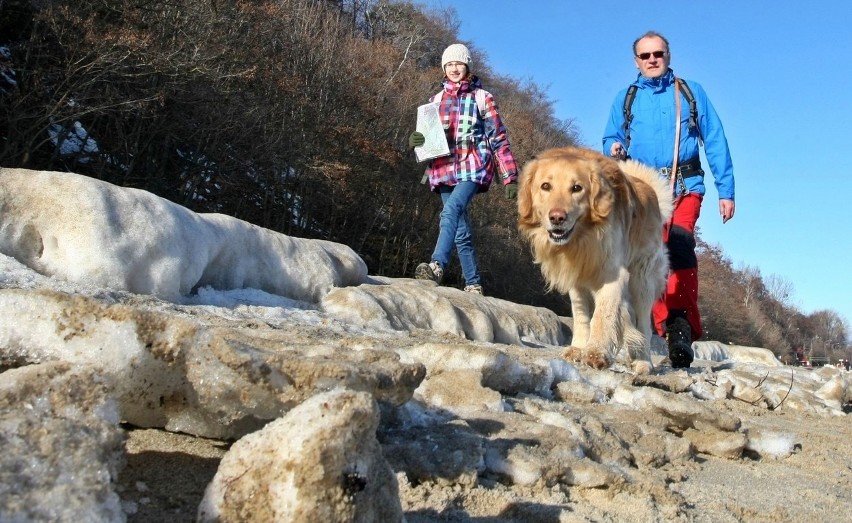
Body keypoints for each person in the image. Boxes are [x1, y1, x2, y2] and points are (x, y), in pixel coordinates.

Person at [602, 31, 735, 368]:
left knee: (679, 246)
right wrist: (612, 148)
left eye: (657, 53)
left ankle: (681, 327)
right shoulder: (626, 98)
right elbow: (611, 136)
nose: (652, 60)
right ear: (636, 61)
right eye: (645, 56)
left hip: (685, 185)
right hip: (642, 190)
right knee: (650, 255)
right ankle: (661, 325)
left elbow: (715, 139)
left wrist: (726, 190)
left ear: (668, 55)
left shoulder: (691, 93)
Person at [408, 43, 518, 295]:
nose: (454, 68)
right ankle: (473, 283)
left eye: (459, 63)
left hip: (473, 164)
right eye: (449, 64)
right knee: (460, 229)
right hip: (443, 168)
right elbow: (428, 141)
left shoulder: (482, 97)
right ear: (444, 68)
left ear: (467, 66)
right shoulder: (434, 102)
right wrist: (417, 141)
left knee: (451, 212)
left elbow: (498, 136)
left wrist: (509, 176)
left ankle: (436, 265)